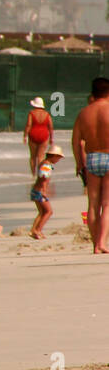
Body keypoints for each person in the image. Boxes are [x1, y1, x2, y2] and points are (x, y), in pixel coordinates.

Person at [71, 78, 109, 253]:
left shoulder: (84, 113)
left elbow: (76, 140)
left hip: (92, 159)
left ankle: (95, 244)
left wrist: (80, 163)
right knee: (107, 204)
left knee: (93, 203)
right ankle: (102, 242)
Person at [30, 145, 63, 239]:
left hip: (36, 190)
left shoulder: (44, 163)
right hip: (39, 191)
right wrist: (44, 190)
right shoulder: (46, 165)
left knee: (41, 212)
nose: (58, 160)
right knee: (48, 211)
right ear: (54, 156)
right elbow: (44, 178)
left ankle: (33, 230)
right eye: (58, 158)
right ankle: (38, 230)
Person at [23, 97, 53, 177]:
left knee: (33, 157)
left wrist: (25, 136)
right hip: (44, 135)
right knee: (41, 157)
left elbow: (29, 125)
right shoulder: (47, 114)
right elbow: (50, 127)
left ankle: (33, 175)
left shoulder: (32, 113)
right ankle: (40, 174)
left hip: (33, 135)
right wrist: (51, 138)